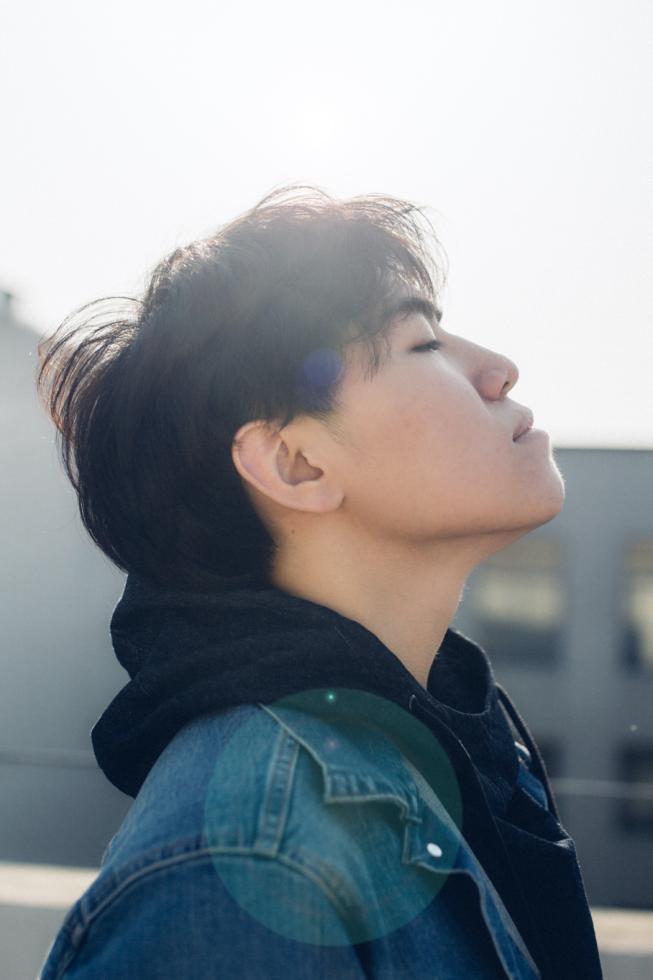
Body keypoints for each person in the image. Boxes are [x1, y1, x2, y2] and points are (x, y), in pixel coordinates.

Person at [36, 184, 603, 978]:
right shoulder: (249, 867)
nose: (499, 370)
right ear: (295, 464)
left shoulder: (441, 755)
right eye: (422, 343)